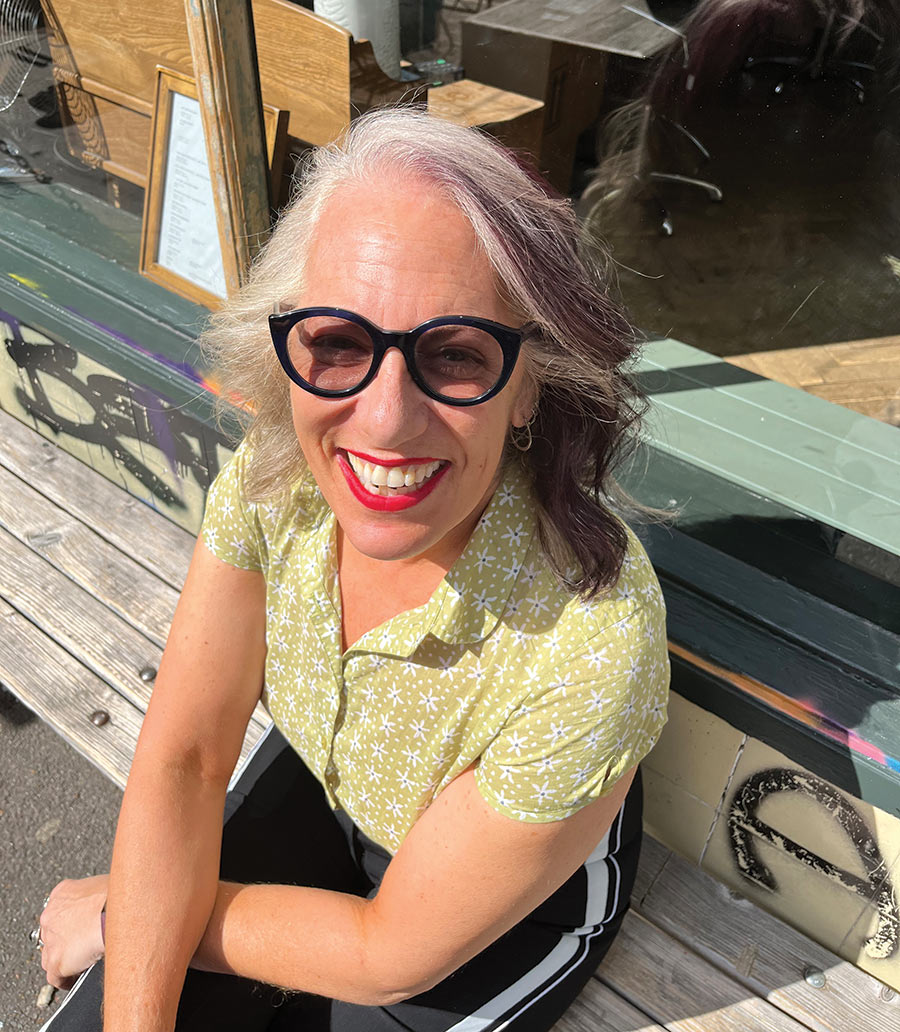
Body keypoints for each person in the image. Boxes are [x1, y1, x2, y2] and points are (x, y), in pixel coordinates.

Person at [37, 108, 670, 1032]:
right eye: (338, 342)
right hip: (344, 787)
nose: (381, 422)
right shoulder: (275, 477)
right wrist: (143, 954)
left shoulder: (591, 644)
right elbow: (186, 756)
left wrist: (132, 909)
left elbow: (388, 957)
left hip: (499, 918)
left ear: (532, 379)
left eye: (455, 355)